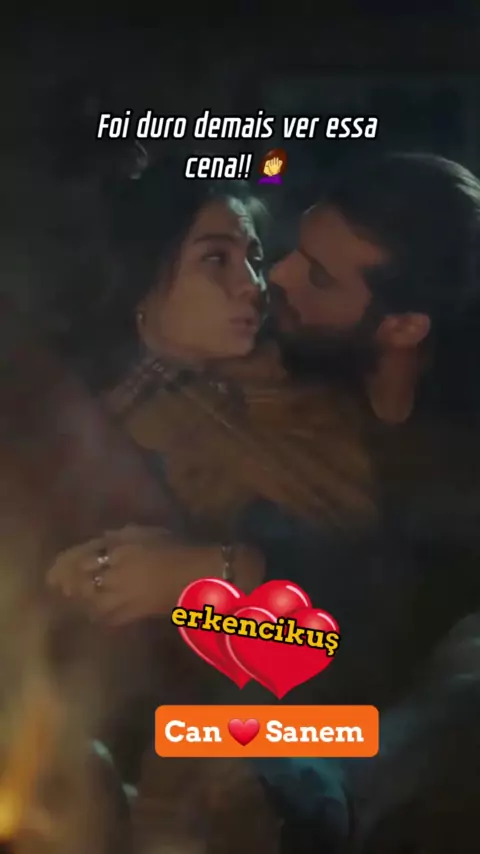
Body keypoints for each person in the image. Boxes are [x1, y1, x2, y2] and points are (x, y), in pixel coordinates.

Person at [45, 155, 375, 853]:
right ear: (145, 278)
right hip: (112, 736)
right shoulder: (73, 428)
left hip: (300, 732)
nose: (252, 284)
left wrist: (213, 570)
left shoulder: (299, 406)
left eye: (252, 258)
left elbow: (368, 603)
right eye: (215, 260)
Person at [266, 152, 480, 850]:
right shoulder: (275, 383)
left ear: (404, 326)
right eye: (294, 250)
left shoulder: (455, 462)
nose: (278, 275)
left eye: (318, 276)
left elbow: (393, 619)